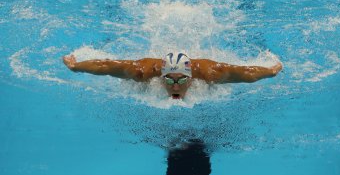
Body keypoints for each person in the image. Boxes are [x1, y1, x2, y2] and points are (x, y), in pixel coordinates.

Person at [63, 52, 282, 99]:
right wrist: (76, 66)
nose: (175, 87)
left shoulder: (211, 73)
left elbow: (247, 73)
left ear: (191, 77)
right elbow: (105, 66)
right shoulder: (142, 72)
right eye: (169, 80)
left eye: (181, 80)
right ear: (161, 76)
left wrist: (271, 71)